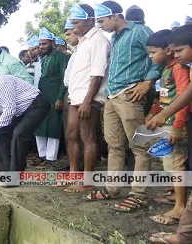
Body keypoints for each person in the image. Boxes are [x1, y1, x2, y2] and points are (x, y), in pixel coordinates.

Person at [86, 1, 162, 212]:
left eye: (102, 21)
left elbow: (159, 54)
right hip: (112, 96)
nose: (100, 25)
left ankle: (138, 195)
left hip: (130, 96)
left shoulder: (139, 31)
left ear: (115, 16)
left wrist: (148, 81)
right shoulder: (116, 37)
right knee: (114, 145)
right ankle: (112, 188)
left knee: (139, 146)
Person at [146, 24, 192, 244]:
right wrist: (158, 112)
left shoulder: (179, 68)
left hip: (177, 124)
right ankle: (178, 200)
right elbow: (170, 96)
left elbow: (184, 95)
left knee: (177, 165)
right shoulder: (173, 67)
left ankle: (180, 208)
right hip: (170, 122)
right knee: (171, 165)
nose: (175, 55)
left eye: (179, 50)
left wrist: (174, 123)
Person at [0, 70, 51, 173]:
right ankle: (3, 170)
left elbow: (10, 110)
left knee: (19, 134)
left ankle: (15, 175)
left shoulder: (1, 83)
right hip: (19, 111)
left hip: (36, 105)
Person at [64, 3, 110, 193]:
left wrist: (87, 101)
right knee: (71, 135)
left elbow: (97, 73)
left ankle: (87, 181)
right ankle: (74, 176)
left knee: (88, 137)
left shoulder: (98, 40)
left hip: (87, 99)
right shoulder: (83, 41)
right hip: (76, 97)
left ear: (90, 21)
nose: (74, 28)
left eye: (76, 23)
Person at [34, 27, 69, 166]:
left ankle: (51, 157)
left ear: (52, 42)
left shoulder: (61, 57)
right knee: (40, 124)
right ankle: (41, 155)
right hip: (42, 95)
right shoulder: (45, 58)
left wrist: (60, 97)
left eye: (44, 43)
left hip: (55, 95)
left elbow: (64, 78)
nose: (42, 46)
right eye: (40, 44)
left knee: (53, 125)